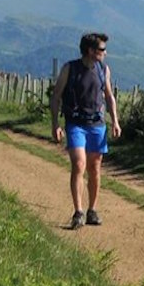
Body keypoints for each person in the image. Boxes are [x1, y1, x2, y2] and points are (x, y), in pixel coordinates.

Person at [50, 32, 122, 229]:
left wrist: (115, 121)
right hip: (76, 124)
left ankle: (92, 210)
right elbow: (56, 97)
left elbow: (109, 96)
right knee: (79, 165)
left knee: (95, 167)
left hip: (97, 124)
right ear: (91, 51)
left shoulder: (103, 69)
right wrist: (55, 124)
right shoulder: (69, 69)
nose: (105, 53)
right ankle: (78, 211)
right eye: (102, 49)